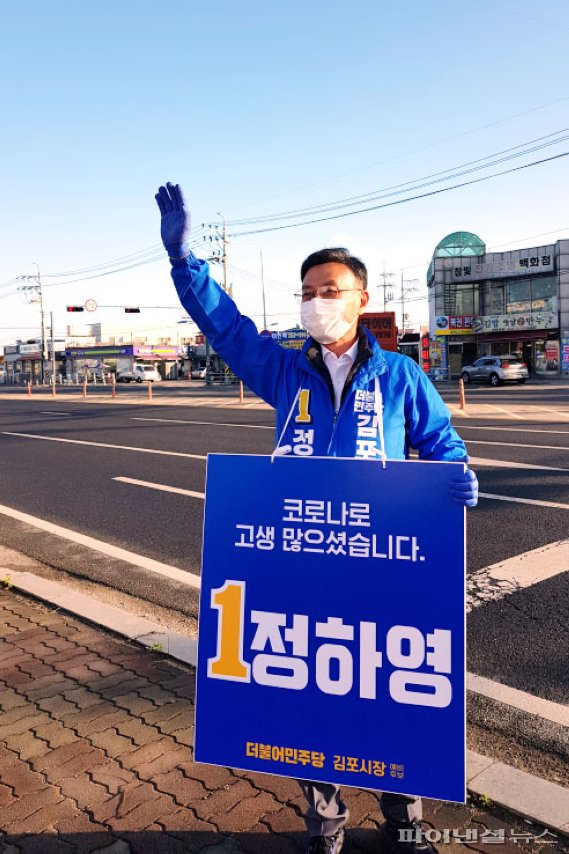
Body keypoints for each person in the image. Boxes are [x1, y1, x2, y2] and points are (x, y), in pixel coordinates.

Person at [155, 182, 478, 854]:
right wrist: (186, 262)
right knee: (310, 700)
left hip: (380, 566)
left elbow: (440, 445)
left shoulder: (400, 378)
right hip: (298, 565)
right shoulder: (282, 372)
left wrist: (455, 477)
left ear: (361, 298)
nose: (315, 301)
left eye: (329, 289)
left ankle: (406, 822)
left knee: (388, 693)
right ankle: (323, 828)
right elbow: (226, 328)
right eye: (307, 291)